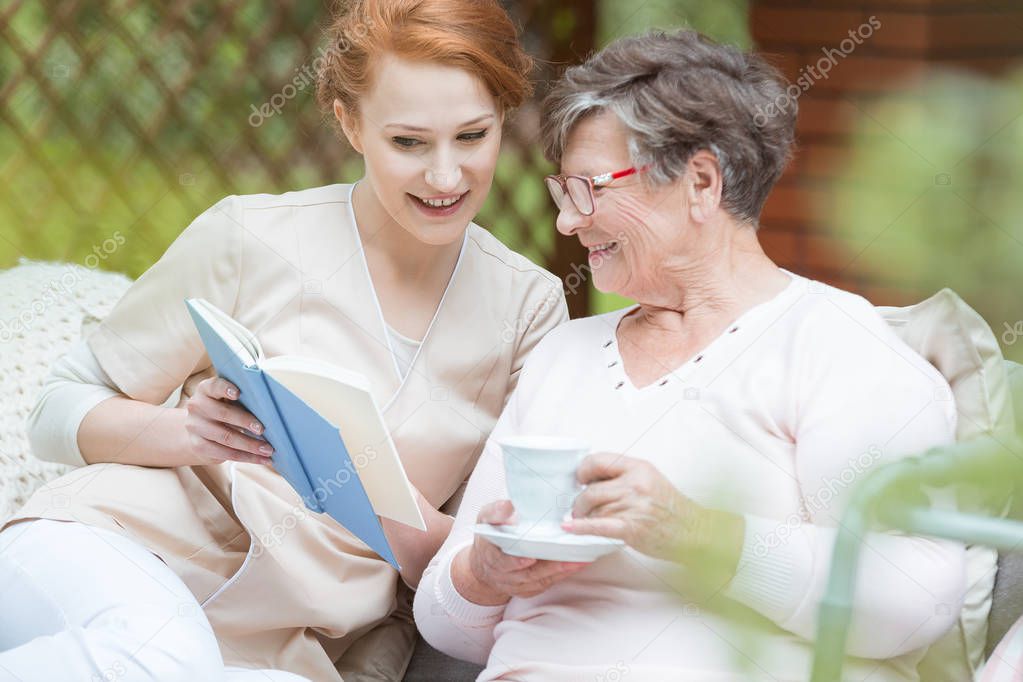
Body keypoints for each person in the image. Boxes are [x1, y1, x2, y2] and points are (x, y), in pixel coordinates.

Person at [0, 1, 567, 680]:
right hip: (113, 550)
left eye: (472, 136)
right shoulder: (249, 237)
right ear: (348, 123)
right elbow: (54, 410)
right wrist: (186, 434)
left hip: (286, 648)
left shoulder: (529, 309)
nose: (445, 177)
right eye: (408, 143)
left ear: (504, 118)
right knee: (157, 657)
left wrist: (377, 496)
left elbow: (478, 565)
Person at [414, 30, 967, 681]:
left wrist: (701, 535)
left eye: (589, 189)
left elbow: (915, 598)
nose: (567, 222)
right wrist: (484, 572)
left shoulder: (838, 349)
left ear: (700, 182)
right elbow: (445, 625)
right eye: (564, 193)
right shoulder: (563, 355)